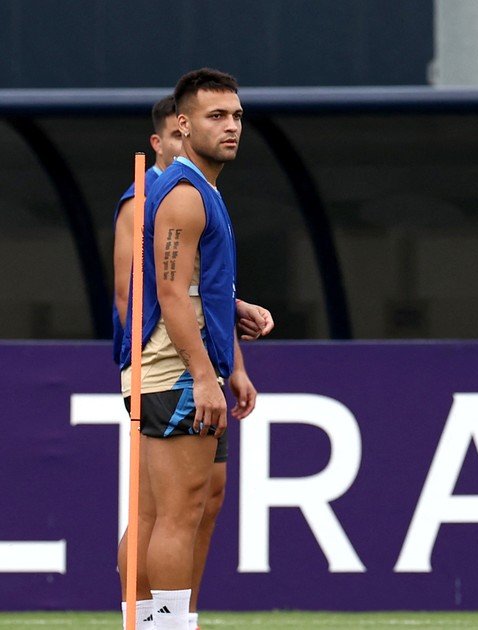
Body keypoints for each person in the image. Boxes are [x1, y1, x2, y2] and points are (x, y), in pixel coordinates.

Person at [113, 95, 273, 630]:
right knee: (175, 515)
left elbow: (193, 286)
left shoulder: (199, 189)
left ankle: (155, 623)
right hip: (176, 371)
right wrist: (205, 377)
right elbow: (169, 292)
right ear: (182, 125)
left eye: (237, 117)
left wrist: (233, 314)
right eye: (216, 117)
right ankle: (166, 626)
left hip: (173, 368)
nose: (232, 127)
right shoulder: (184, 194)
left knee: (170, 510)